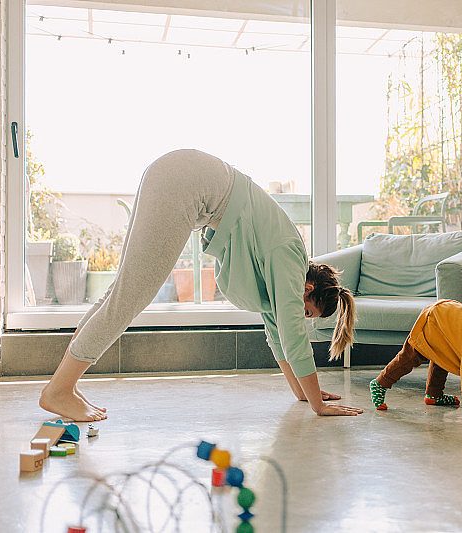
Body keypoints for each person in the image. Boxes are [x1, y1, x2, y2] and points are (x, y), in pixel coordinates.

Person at [39, 149, 363, 421]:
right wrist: (319, 406)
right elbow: (291, 334)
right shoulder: (289, 256)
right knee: (129, 297)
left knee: (120, 291)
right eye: (307, 312)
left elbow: (277, 332)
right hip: (183, 183)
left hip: (176, 174)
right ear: (308, 289)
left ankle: (65, 385)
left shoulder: (281, 256)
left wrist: (303, 392)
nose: (298, 315)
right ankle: (60, 390)